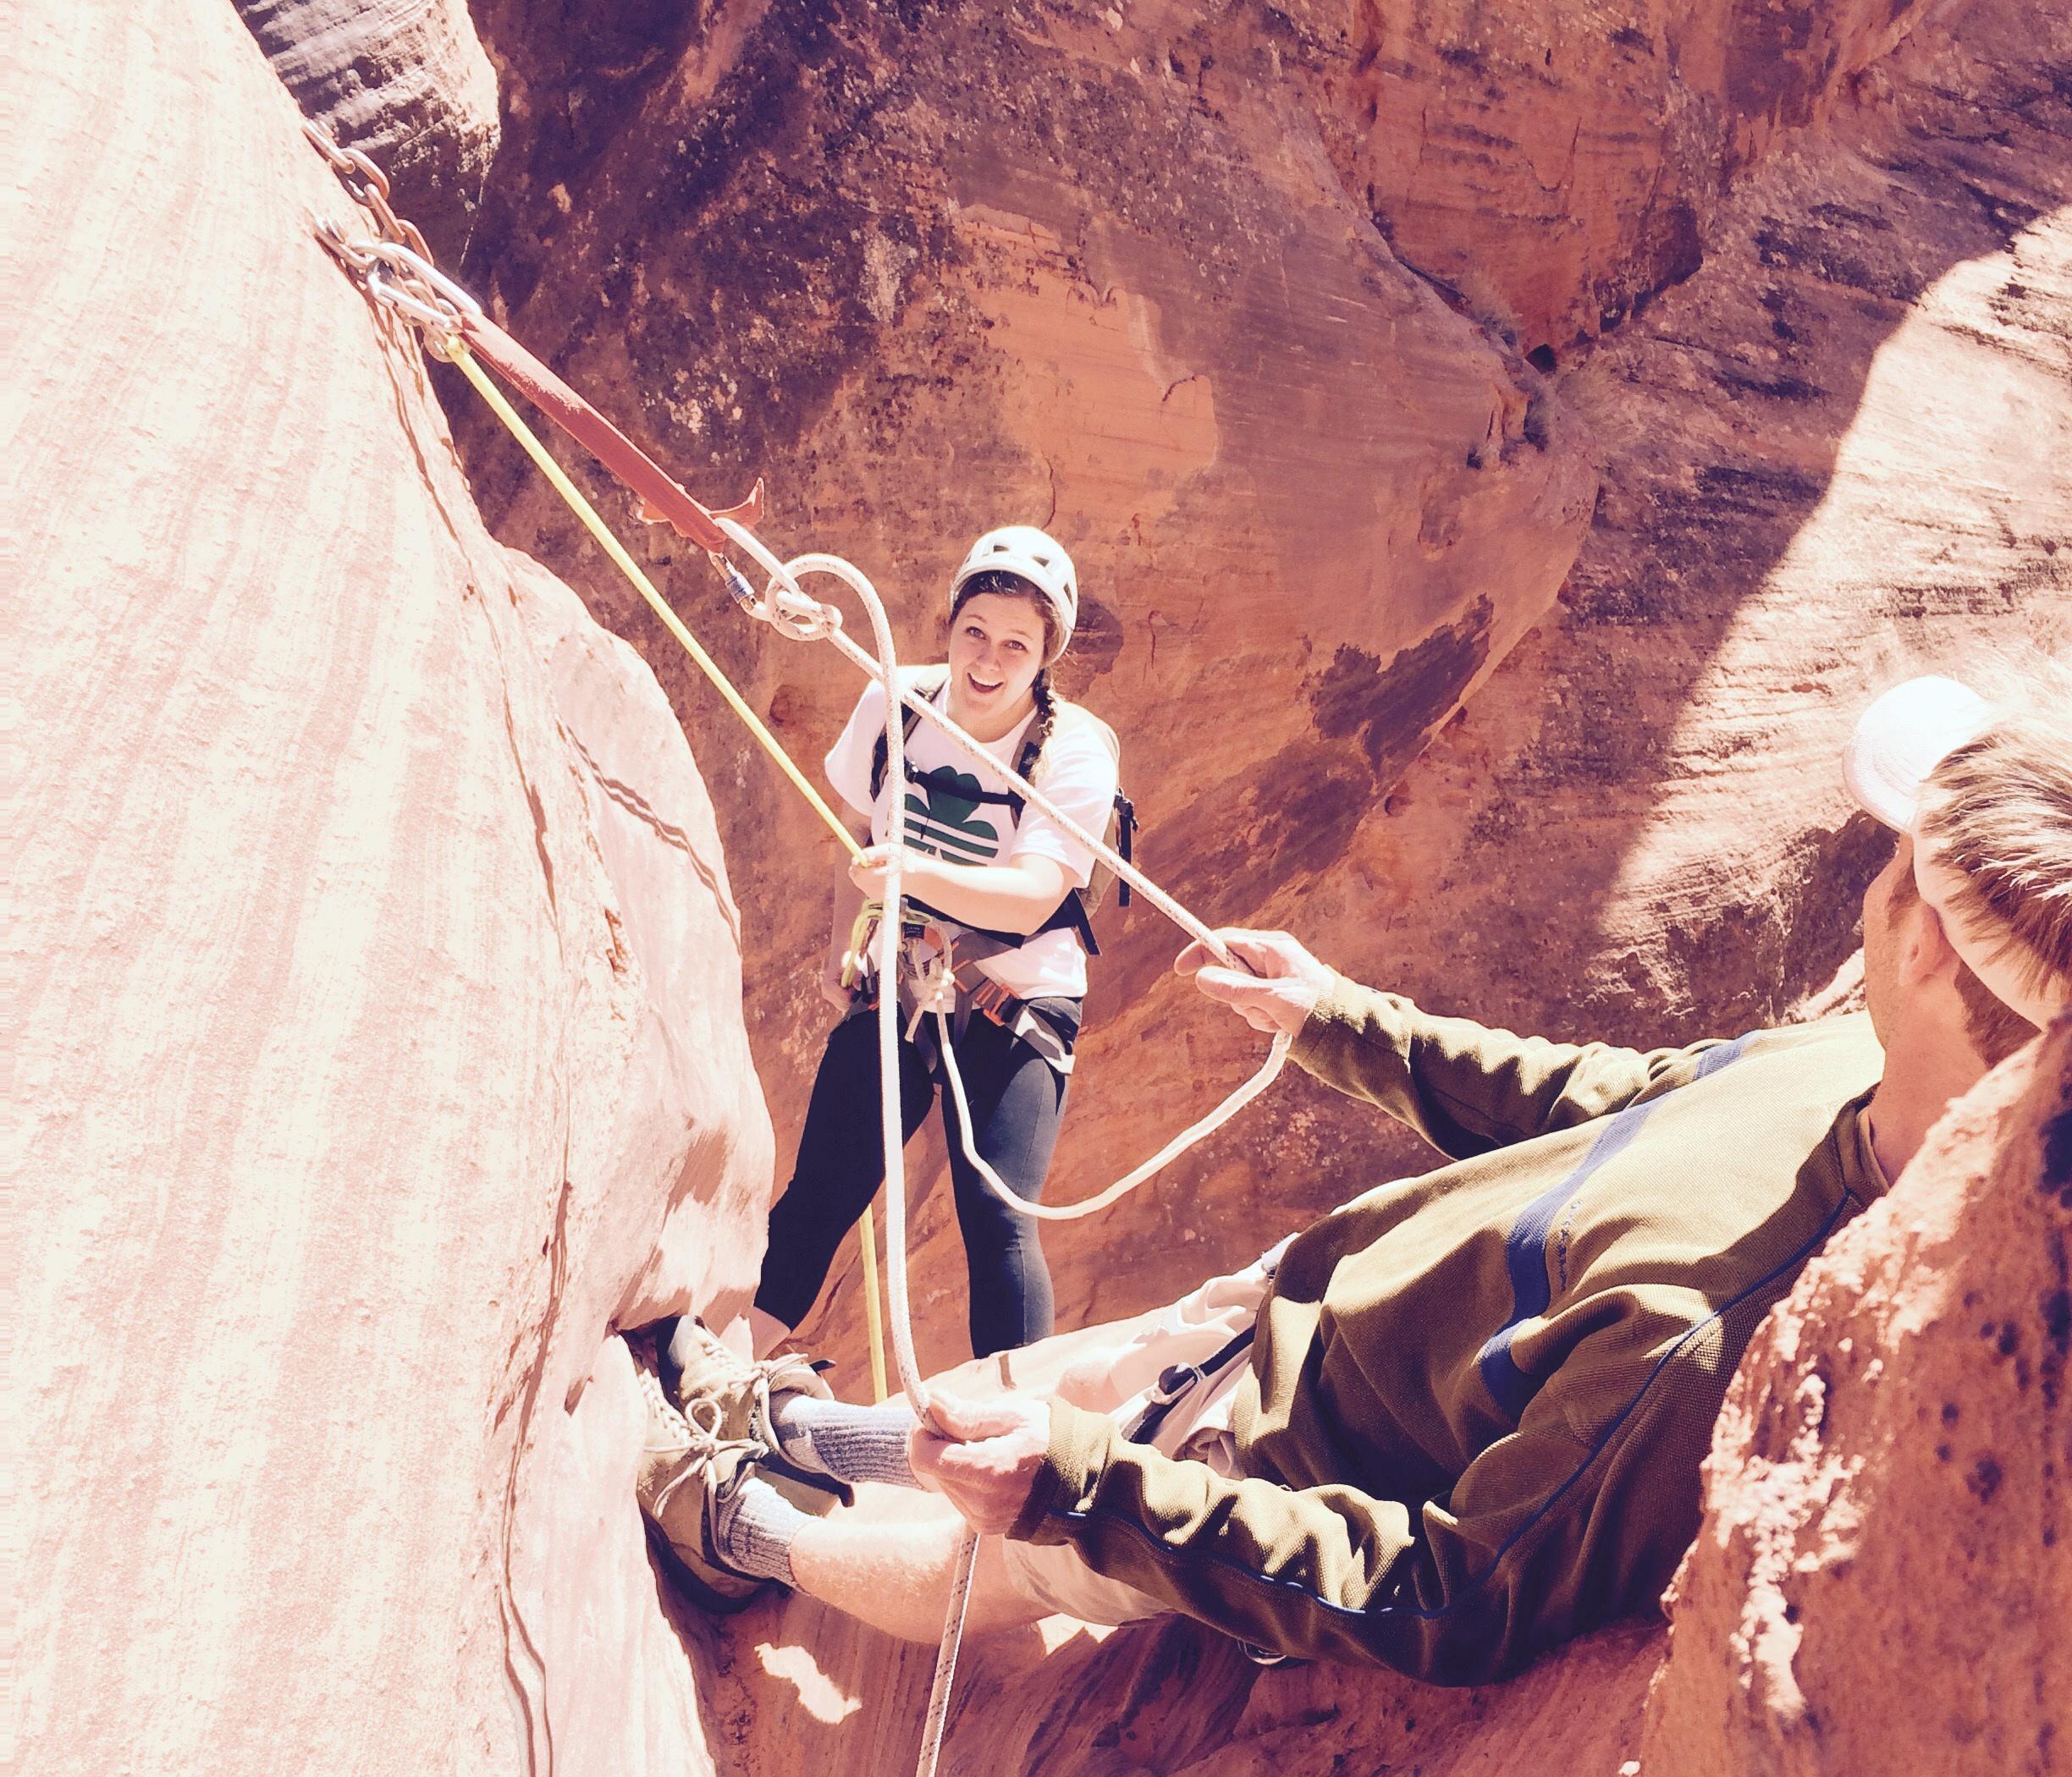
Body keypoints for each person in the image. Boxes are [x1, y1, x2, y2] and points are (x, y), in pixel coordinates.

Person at [636, 674, 2069, 1673]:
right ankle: (808, 1435)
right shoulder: (1846, 1066)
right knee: (1046, 1384)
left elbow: (1462, 1593)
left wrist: (1094, 1497)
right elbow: (1612, 1100)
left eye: (1900, 853)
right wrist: (1338, 1018)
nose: (1874, 858)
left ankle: (741, 1527)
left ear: (1929, 946)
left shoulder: (1709, 1327)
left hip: (1271, 1454)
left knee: (990, 1565)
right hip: (1315, 1299)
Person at [748, 524, 1122, 1364]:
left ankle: (1015, 1430)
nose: (988, 661)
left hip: (1013, 1002)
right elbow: (850, 838)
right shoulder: (893, 703)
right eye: (975, 634)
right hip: (898, 988)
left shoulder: (1073, 754)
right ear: (950, 628)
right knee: (819, 1195)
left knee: (996, 1219)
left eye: (1016, 647)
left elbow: (1033, 896)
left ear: (1045, 657)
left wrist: (909, 875)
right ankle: (726, 1372)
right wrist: (837, 948)